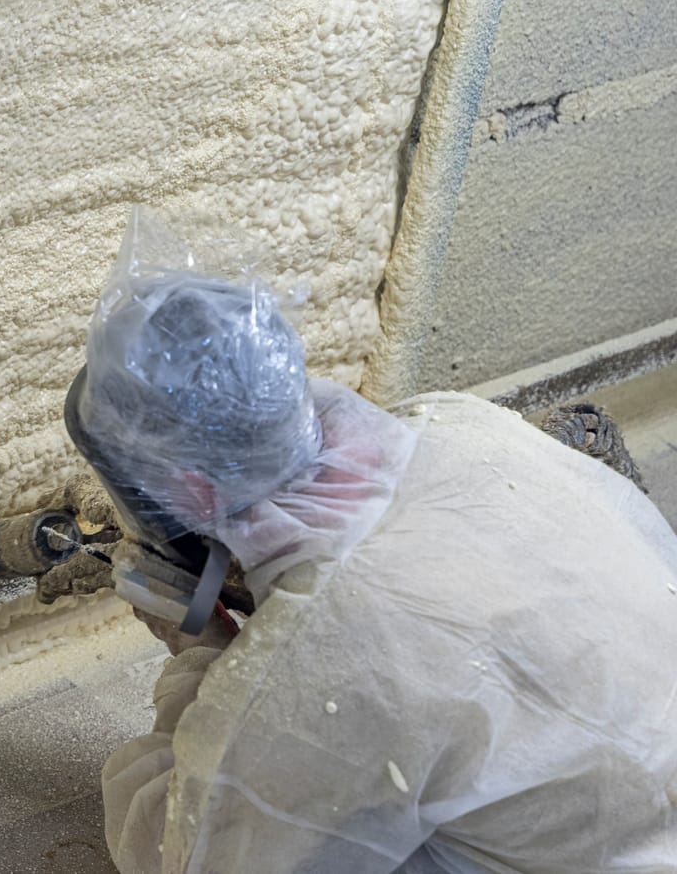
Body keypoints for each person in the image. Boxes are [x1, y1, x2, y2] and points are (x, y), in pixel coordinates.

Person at [57, 209, 677, 873]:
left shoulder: (322, 667)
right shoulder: (458, 423)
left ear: (196, 491)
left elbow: (187, 851)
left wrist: (198, 651)